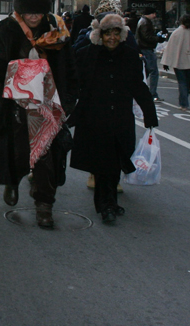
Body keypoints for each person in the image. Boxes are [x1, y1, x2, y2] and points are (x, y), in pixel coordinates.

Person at [0, 0, 78, 229]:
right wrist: (25, 67)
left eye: (38, 12)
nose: (34, 17)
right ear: (20, 11)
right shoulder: (5, 30)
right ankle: (13, 180)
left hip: (49, 104)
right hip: (14, 105)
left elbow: (69, 68)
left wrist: (68, 101)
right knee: (16, 152)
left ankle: (44, 205)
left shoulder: (57, 31)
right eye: (29, 12)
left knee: (47, 156)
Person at [71, 14, 159, 223]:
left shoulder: (130, 56)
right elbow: (75, 84)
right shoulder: (87, 54)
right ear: (99, 34)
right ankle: (105, 205)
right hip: (95, 118)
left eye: (115, 33)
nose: (111, 37)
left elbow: (138, 85)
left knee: (117, 161)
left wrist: (149, 112)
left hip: (120, 117)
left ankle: (109, 201)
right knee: (102, 164)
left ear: (122, 34)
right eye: (107, 33)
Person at [161, 14, 190, 111]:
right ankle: (185, 101)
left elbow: (170, 48)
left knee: (182, 82)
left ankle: (183, 103)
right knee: (187, 81)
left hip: (179, 61)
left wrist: (166, 62)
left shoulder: (177, 32)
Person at [136, 7, 164, 102]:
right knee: (153, 71)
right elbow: (147, 37)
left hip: (144, 48)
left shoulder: (142, 21)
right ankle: (152, 93)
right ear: (150, 14)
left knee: (146, 71)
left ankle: (140, 90)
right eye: (153, 14)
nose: (155, 16)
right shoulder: (145, 22)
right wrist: (158, 38)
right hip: (147, 48)